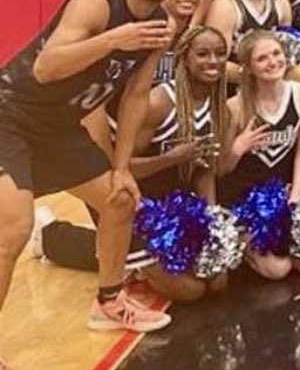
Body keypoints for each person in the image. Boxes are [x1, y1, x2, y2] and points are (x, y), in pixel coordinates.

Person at [0, 0, 182, 370]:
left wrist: (122, 166)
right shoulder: (93, 6)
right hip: (10, 115)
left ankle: (109, 302)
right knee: (13, 229)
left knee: (121, 199)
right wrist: (116, 40)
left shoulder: (162, 24)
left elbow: (138, 95)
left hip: (58, 129)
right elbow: (46, 69)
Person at [36, 25, 231, 303]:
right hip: (138, 205)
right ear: (184, 58)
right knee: (189, 291)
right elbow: (120, 170)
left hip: (178, 208)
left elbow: (204, 169)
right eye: (203, 54)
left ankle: (127, 257)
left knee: (218, 281)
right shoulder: (159, 103)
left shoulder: (218, 107)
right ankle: (53, 237)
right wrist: (171, 158)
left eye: (220, 54)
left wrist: (212, 218)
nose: (213, 61)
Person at [217, 31, 300, 280]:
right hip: (244, 199)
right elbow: (220, 170)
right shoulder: (235, 107)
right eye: (262, 58)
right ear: (249, 68)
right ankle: (241, 242)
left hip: (282, 194)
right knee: (277, 270)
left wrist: (295, 199)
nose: (273, 62)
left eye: (276, 53)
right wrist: (237, 148)